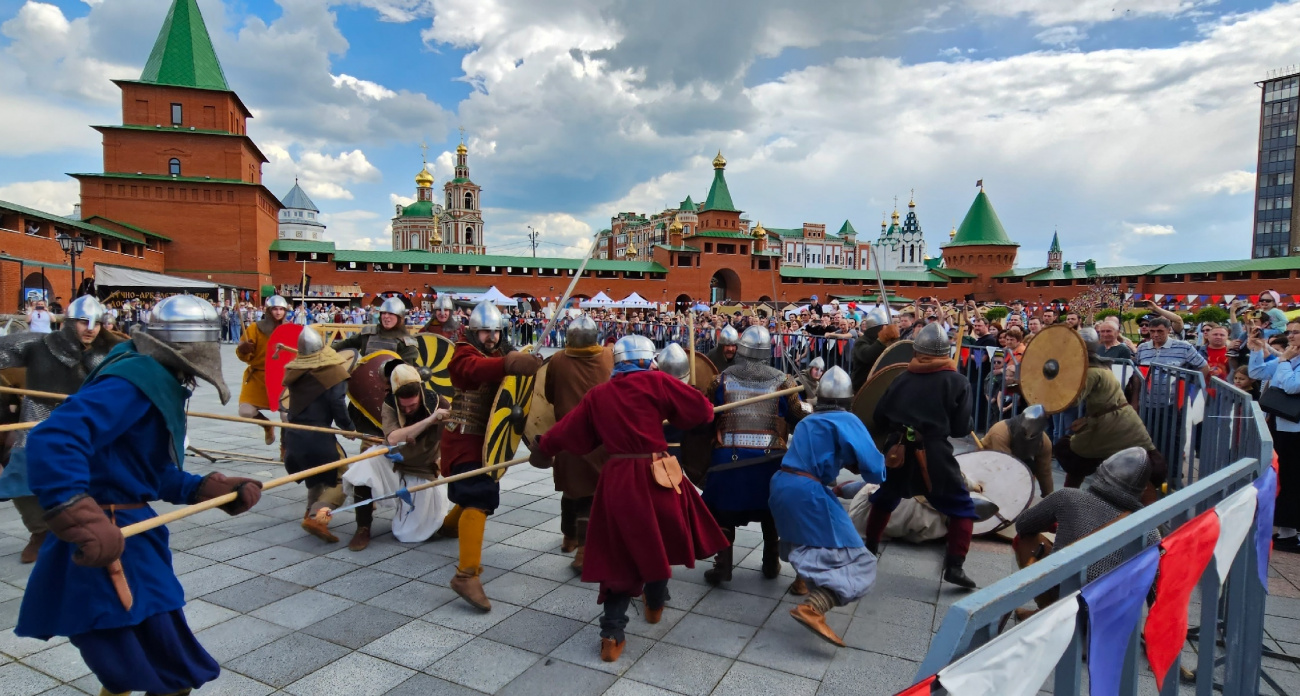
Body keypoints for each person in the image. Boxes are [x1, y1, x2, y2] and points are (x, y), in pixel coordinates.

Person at [14, 294, 263, 696]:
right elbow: (54, 439)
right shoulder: (131, 383)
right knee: (145, 667)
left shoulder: (149, 376)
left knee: (161, 665)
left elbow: (140, 469)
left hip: (133, 535)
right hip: (105, 538)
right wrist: (74, 512)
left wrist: (202, 487)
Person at [530, 334, 729, 663]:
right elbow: (702, 412)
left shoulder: (599, 395)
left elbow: (570, 432)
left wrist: (543, 445)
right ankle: (654, 602)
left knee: (618, 553)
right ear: (648, 359)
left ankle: (612, 632)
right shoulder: (658, 382)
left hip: (618, 480)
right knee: (660, 539)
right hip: (657, 474)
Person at [0, 296, 124, 564]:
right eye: (83, 321)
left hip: (82, 421)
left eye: (97, 323)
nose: (90, 328)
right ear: (68, 322)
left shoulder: (110, 352)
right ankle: (40, 532)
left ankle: (83, 528)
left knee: (89, 477)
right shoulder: (35, 344)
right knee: (21, 478)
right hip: (38, 419)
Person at [770, 367, 885, 646]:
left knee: (808, 537)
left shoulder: (809, 420)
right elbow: (875, 471)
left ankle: (801, 582)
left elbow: (824, 451)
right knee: (860, 559)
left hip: (782, 484)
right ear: (849, 399)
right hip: (806, 492)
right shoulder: (847, 419)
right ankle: (814, 607)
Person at [441, 301, 543, 609]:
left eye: (496, 332)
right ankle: (466, 574)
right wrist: (510, 363)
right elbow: (472, 370)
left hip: (489, 441)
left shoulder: (501, 355)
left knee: (477, 494)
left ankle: (447, 527)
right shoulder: (463, 353)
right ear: (473, 332)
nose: (492, 338)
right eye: (485, 331)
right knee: (479, 497)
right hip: (464, 439)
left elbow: (516, 404)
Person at [863, 322, 979, 589]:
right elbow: (962, 428)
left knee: (885, 498)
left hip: (898, 450)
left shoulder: (901, 378)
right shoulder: (958, 382)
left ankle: (869, 548)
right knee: (961, 507)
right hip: (935, 453)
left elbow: (879, 416)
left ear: (917, 350)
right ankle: (955, 566)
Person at [702, 325, 805, 585]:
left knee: (722, 509)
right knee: (770, 509)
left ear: (741, 350)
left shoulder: (721, 380)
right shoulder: (784, 382)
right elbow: (798, 419)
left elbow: (705, 416)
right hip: (770, 462)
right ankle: (771, 562)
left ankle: (723, 565)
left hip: (729, 459)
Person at [339, 363, 451, 547]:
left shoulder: (440, 404)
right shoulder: (390, 404)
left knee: (409, 534)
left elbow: (452, 439)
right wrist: (430, 420)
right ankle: (363, 528)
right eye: (403, 406)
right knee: (363, 468)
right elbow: (393, 439)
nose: (407, 410)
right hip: (394, 460)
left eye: (412, 405)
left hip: (422, 468)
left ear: (420, 394)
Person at [1015, 448, 1160, 583]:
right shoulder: (1148, 530)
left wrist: (1055, 523)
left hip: (1065, 591)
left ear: (1102, 470)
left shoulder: (1068, 496)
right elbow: (1155, 582)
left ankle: (1047, 606)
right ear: (1142, 490)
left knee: (1024, 538)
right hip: (1111, 602)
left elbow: (1023, 524)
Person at [541, 312, 612, 571]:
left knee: (571, 489)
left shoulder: (558, 360)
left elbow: (548, 396)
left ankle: (569, 538)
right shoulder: (608, 356)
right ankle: (582, 550)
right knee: (590, 495)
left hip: (567, 435)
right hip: (599, 438)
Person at [1056, 328, 1164, 490]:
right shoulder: (1102, 366)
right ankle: (1067, 497)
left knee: (1072, 453)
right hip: (1121, 420)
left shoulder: (1091, 372)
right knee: (1145, 461)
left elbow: (1072, 400)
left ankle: (1065, 498)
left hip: (1110, 424)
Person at [280, 328, 356, 543]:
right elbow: (337, 404)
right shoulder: (333, 373)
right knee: (343, 478)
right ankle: (316, 517)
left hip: (294, 435)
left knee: (316, 478)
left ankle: (309, 514)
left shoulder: (294, 372)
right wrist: (348, 428)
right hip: (317, 436)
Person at [1248, 319, 1300, 551]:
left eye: (1296, 333)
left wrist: (1285, 361)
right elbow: (1257, 372)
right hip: (1283, 425)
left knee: (1294, 479)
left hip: (1296, 430)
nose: (1290, 337)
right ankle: (1287, 531)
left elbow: (1291, 386)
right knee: (1285, 477)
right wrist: (1257, 350)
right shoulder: (1289, 359)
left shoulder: (1289, 361)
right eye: (1289, 332)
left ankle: (1292, 532)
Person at [236, 295, 289, 445]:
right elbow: (244, 356)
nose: (278, 312)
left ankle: (285, 448)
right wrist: (243, 350)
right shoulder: (254, 328)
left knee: (287, 416)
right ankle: (266, 425)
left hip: (282, 377)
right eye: (275, 309)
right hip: (258, 376)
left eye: (281, 309)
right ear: (268, 310)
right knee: (245, 411)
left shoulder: (290, 329)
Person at [979, 404, 1055, 496]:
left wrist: (1049, 497)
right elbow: (1004, 466)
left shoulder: (1044, 442)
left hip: (1016, 460)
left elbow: (1044, 471)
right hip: (989, 461)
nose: (1028, 434)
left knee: (1030, 467)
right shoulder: (1000, 432)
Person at [849, 306, 898, 392]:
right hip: (862, 387)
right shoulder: (860, 342)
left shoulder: (887, 342)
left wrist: (896, 340)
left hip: (882, 385)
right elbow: (867, 356)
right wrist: (882, 340)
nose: (886, 329)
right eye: (884, 327)